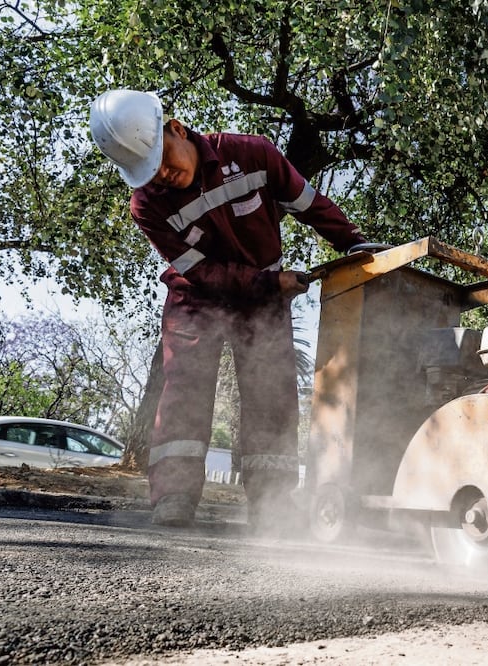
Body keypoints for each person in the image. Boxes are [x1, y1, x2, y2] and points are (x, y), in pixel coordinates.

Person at [88, 89, 367, 528]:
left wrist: (354, 245)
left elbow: (311, 205)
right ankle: (174, 497)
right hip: (196, 297)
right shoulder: (145, 205)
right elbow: (200, 271)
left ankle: (272, 504)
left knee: (271, 392)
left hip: (264, 297)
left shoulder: (253, 154)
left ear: (177, 129)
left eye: (163, 160)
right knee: (184, 389)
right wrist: (270, 282)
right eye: (149, 173)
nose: (162, 176)